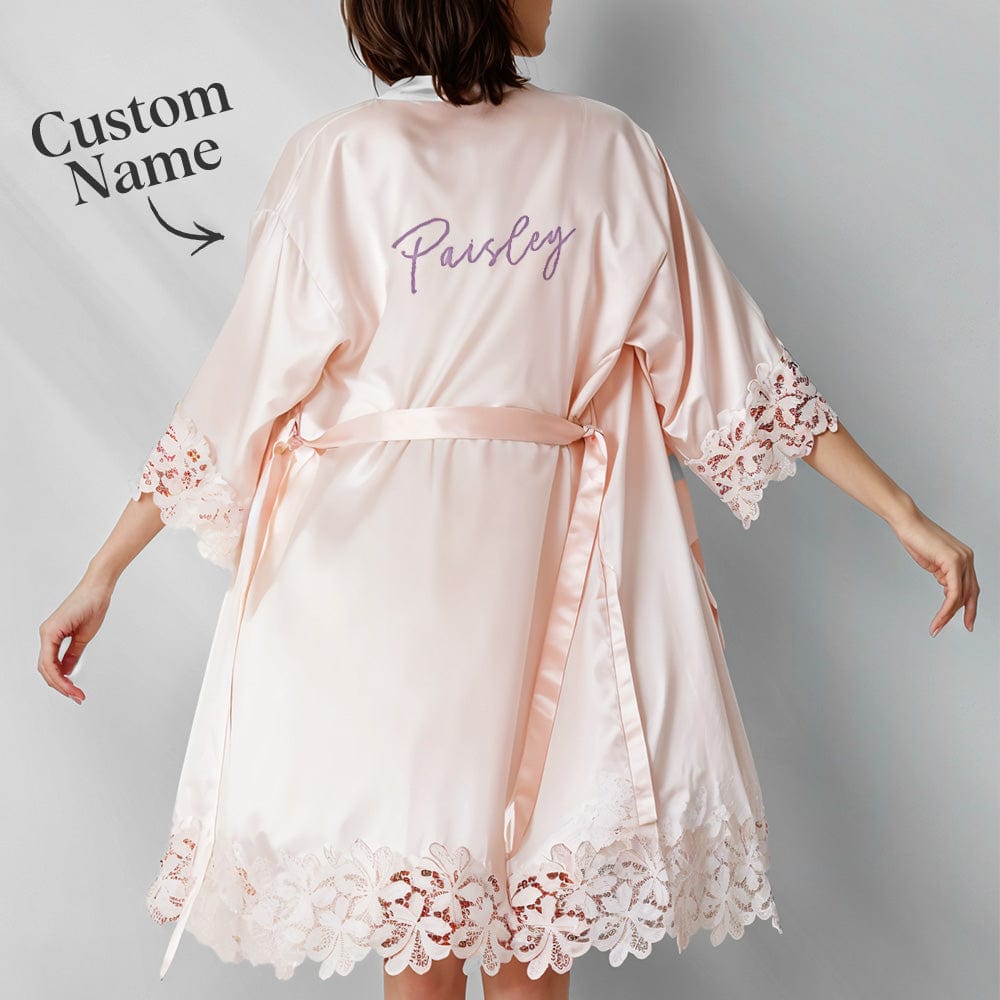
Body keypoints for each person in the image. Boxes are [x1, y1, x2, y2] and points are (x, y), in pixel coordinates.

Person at [37, 2, 979, 999]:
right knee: (480, 926)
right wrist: (103, 569)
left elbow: (726, 360)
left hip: (475, 571)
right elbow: (243, 388)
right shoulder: (408, 154)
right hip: (449, 582)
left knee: (483, 918)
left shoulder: (560, 149)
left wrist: (901, 509)